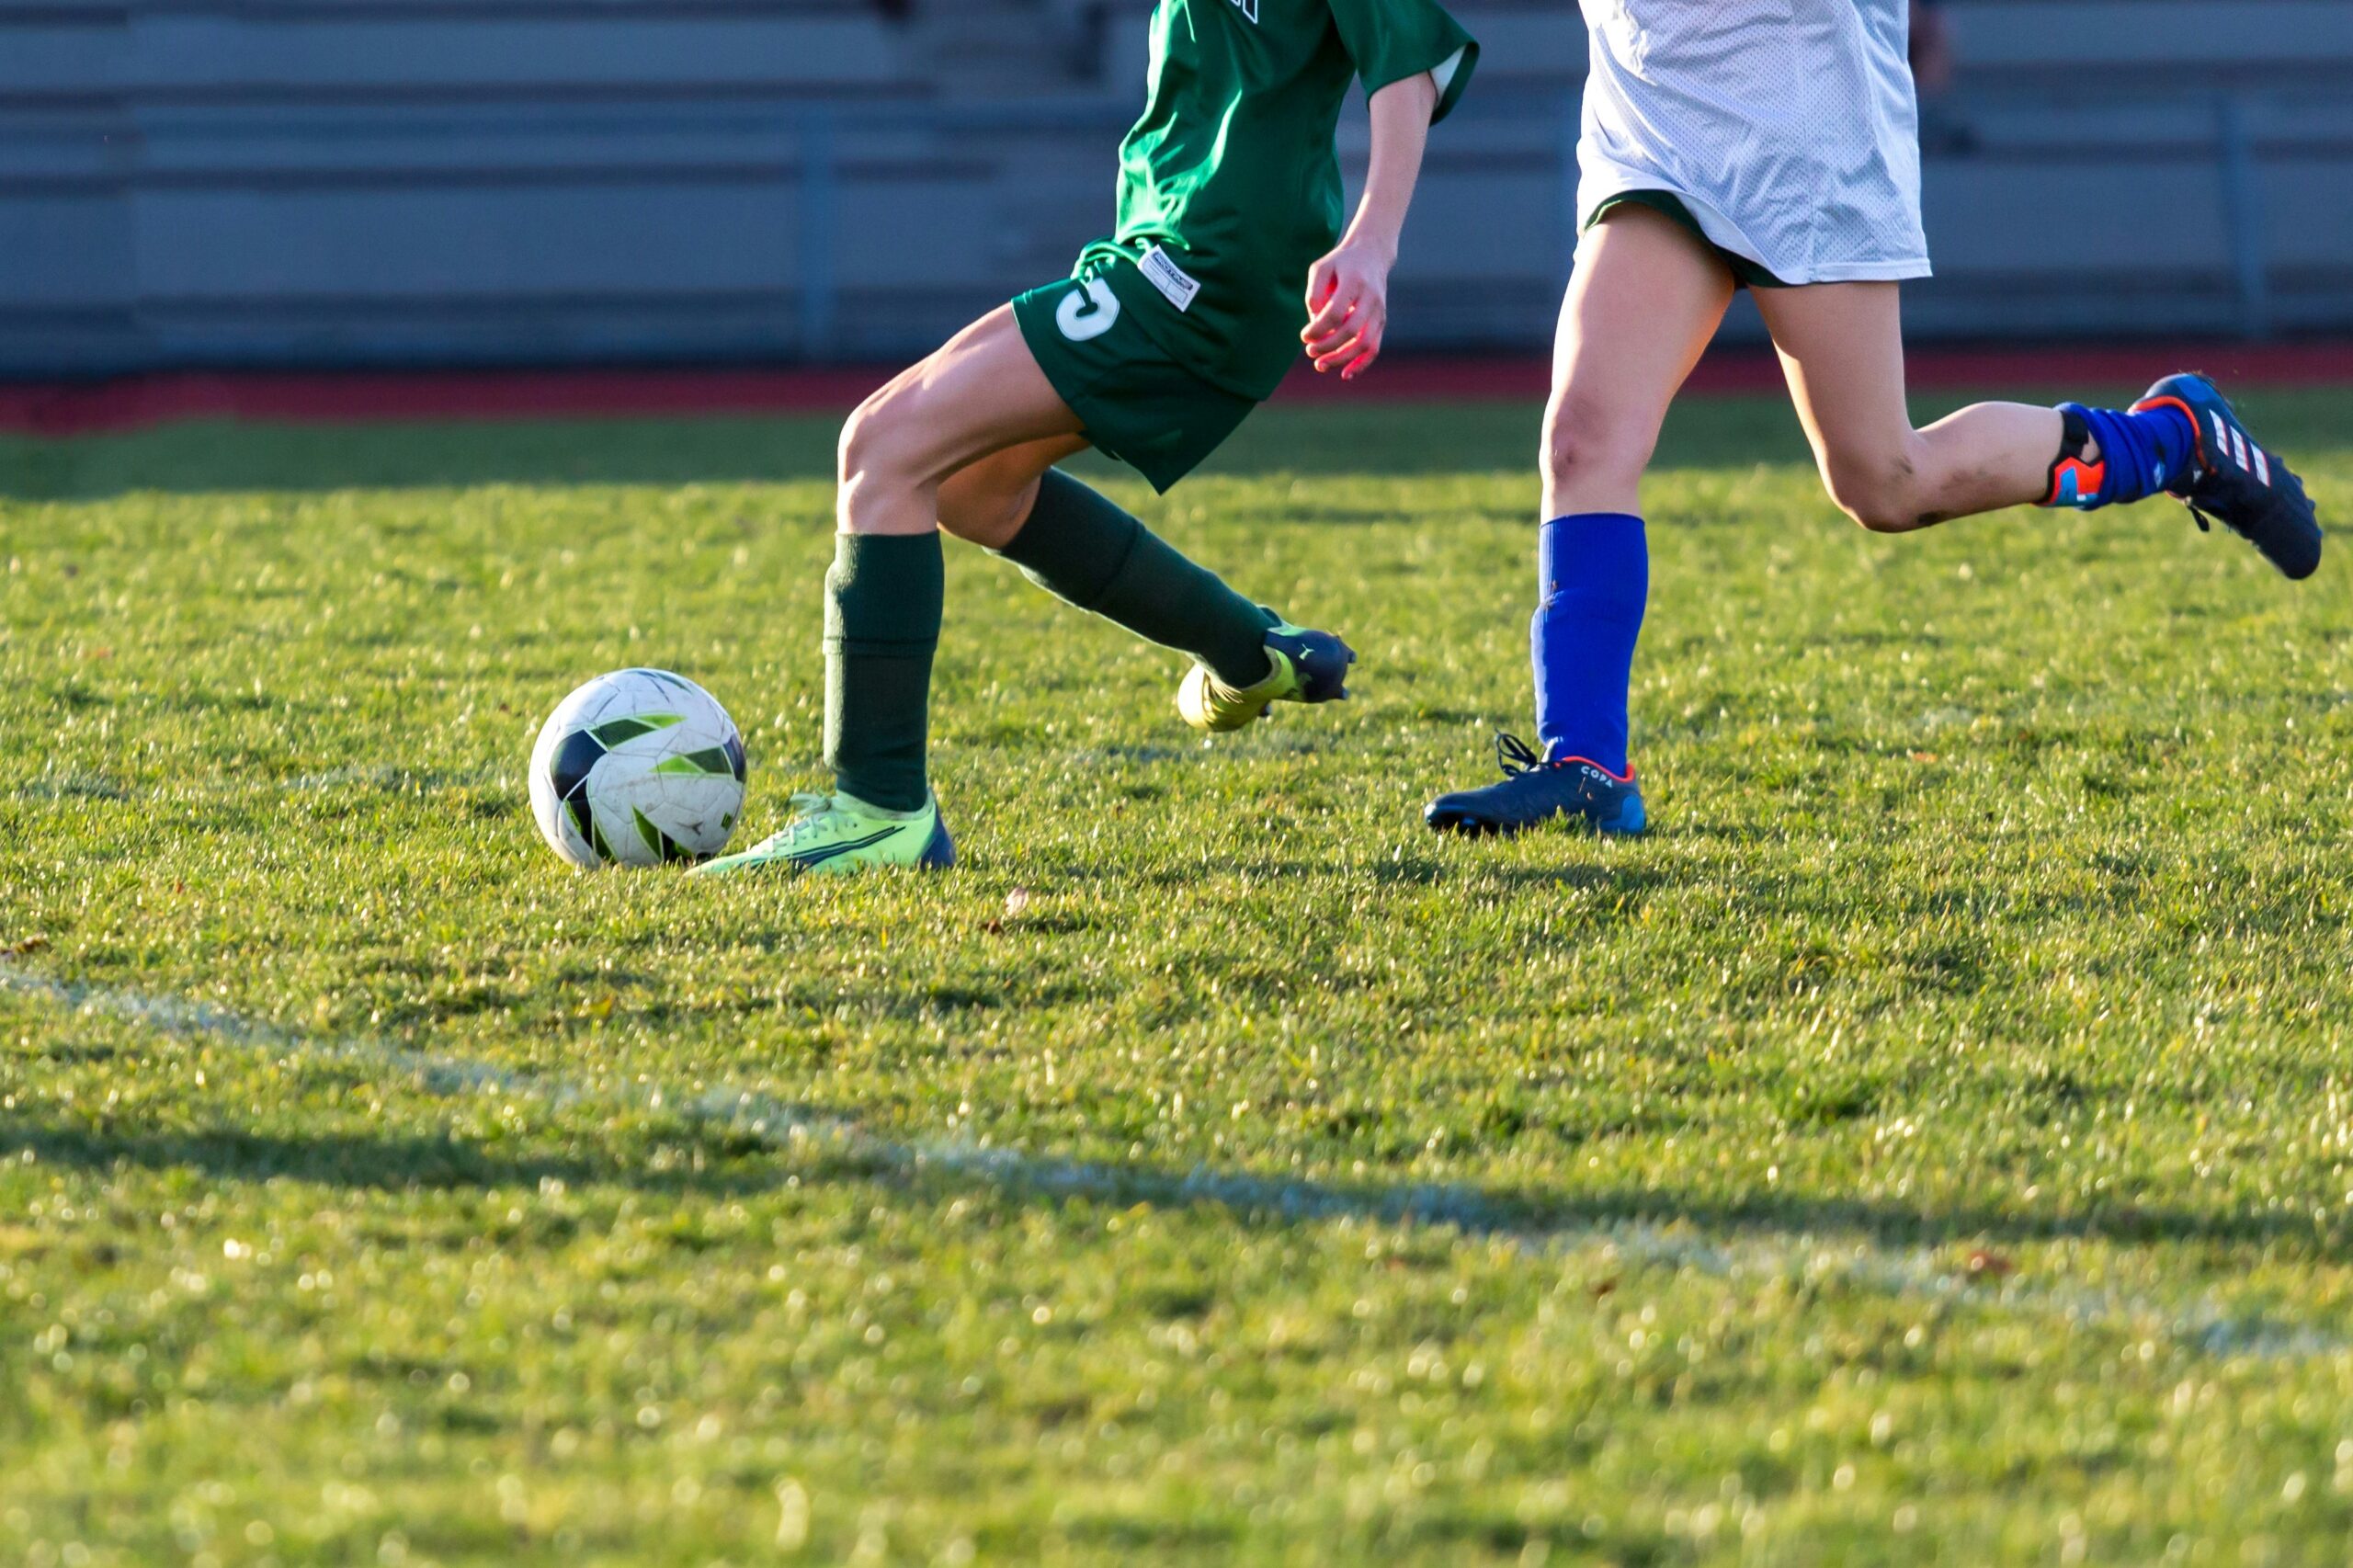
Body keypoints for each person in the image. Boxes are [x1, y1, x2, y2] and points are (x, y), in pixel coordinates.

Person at [1422, 0, 2322, 840]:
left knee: (1886, 482)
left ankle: (2172, 440)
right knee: (1582, 438)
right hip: (1654, 134)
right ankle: (1585, 764)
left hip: (1806, 137)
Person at [699, 0, 1477, 876]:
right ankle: (1246, 647)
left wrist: (1372, 244)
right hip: (1158, 254)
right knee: (968, 487)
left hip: (1204, 274)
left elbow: (1408, 60)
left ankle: (880, 808)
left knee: (882, 447)